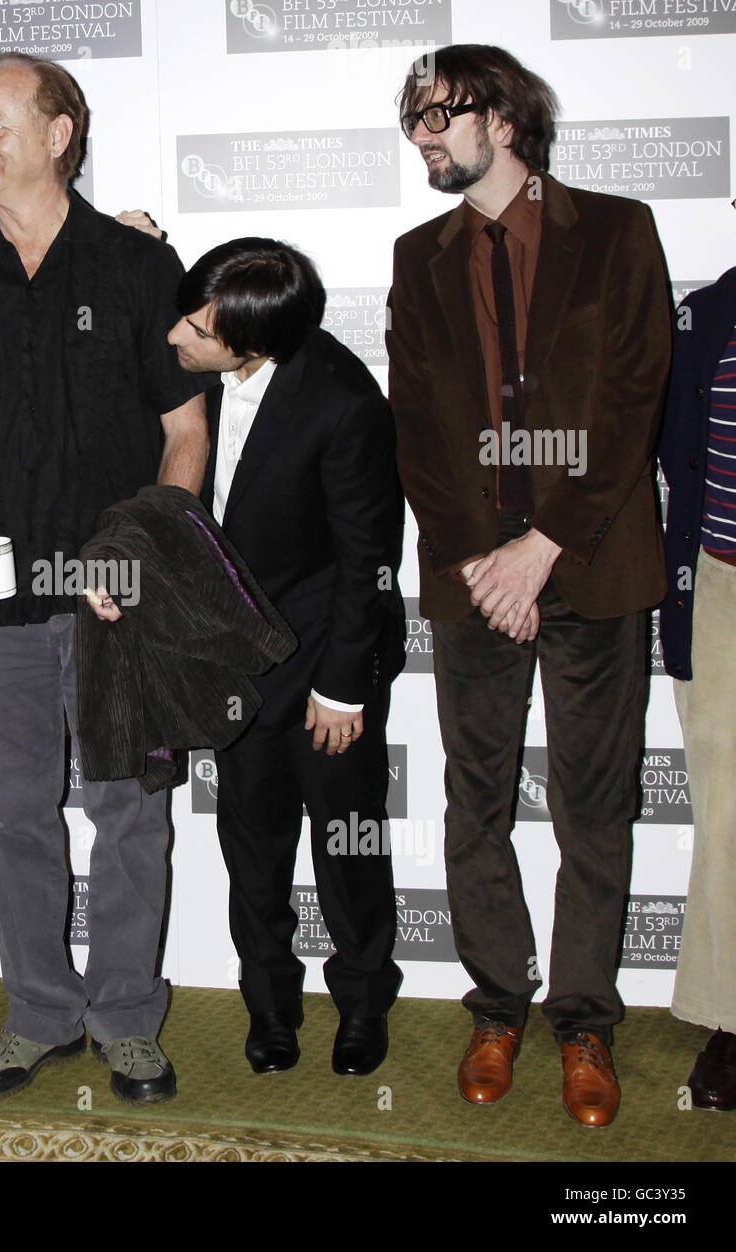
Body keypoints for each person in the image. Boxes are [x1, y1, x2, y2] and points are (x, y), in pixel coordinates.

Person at [0, 52, 208, 1104]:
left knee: (128, 812)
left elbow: (186, 429)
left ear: (59, 133)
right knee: (15, 812)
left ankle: (124, 1019)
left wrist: (140, 546)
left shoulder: (137, 267)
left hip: (118, 600)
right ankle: (38, 1013)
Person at [386, 45, 671, 1127]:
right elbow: (416, 429)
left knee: (595, 806)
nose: (421, 135)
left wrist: (543, 542)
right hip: (472, 575)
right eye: (411, 119)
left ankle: (586, 1021)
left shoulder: (619, 230)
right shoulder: (417, 258)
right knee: (475, 799)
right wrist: (480, 558)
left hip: (592, 561)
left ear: (502, 117)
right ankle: (496, 1005)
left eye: (437, 115)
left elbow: (635, 397)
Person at [167, 237, 405, 1077]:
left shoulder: (341, 401)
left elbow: (366, 559)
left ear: (254, 341)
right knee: (253, 849)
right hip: (235, 667)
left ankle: (364, 1002)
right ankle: (269, 1009)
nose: (177, 337)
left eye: (196, 330)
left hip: (323, 663)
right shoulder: (200, 366)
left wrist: (343, 688)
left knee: (348, 847)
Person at [658, 255, 736, 1111]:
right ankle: (732, 1018)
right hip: (723, 581)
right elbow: (678, 457)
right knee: (725, 810)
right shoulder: (707, 315)